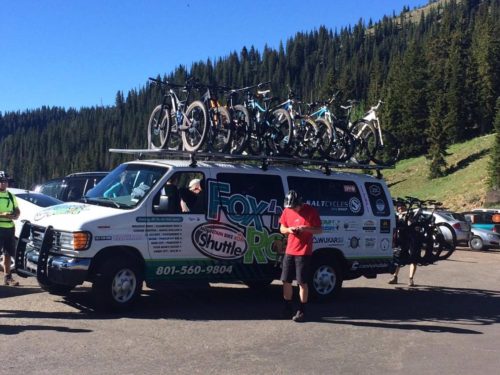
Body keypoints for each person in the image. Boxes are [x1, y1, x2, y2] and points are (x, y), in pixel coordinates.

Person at [279, 190, 322, 322]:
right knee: (286, 280)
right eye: (290, 207)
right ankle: (287, 307)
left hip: (303, 252)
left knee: (302, 282)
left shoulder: (311, 211)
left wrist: (305, 229)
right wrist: (289, 230)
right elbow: (282, 228)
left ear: (300, 203)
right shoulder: (287, 210)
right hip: (289, 250)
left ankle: (302, 310)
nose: (293, 209)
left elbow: (319, 230)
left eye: (294, 207)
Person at [388, 201, 417, 286]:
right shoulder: (396, 216)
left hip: (410, 240)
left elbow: (411, 224)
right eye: (399, 207)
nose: (400, 209)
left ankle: (411, 279)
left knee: (413, 259)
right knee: (398, 259)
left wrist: (407, 217)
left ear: (405, 207)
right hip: (400, 241)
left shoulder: (409, 215)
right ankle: (395, 277)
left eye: (402, 207)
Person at [0, 171, 20, 286]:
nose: (3, 184)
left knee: (8, 253)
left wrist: (16, 214)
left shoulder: (10, 196)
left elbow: (17, 209)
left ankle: (7, 277)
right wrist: (4, 214)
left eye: (5, 181)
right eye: (1, 181)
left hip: (9, 228)